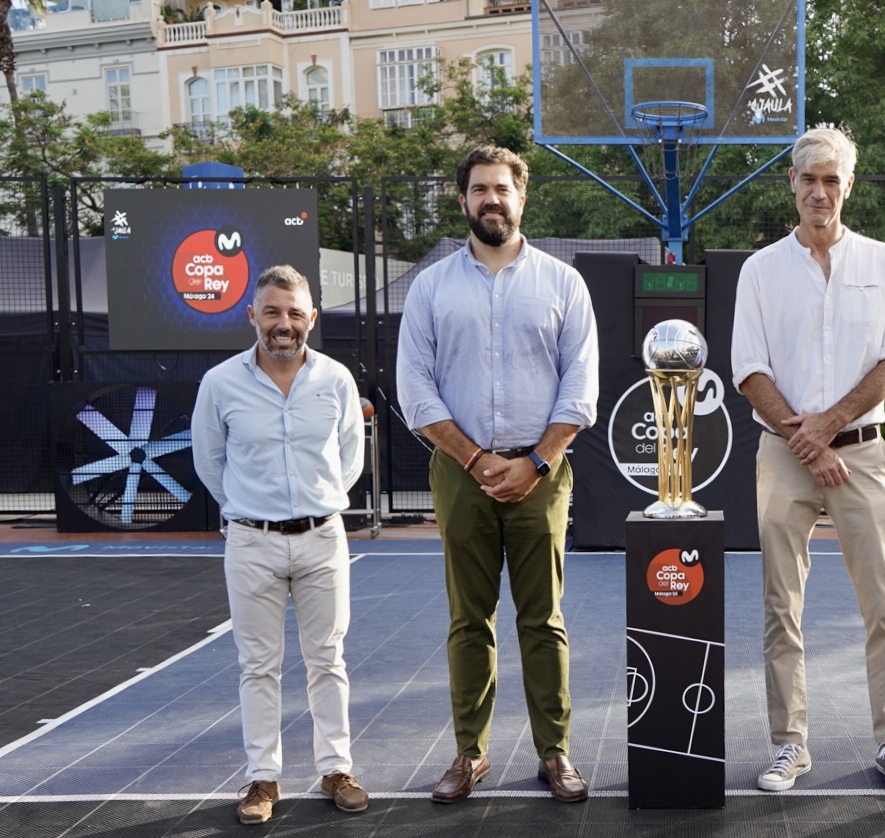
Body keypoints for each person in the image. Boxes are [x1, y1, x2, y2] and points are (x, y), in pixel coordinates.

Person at [396, 145, 599, 804]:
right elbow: (415, 389)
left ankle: (555, 752)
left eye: (502, 188)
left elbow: (581, 388)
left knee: (543, 619)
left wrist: (536, 460)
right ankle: (470, 752)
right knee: (469, 620)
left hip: (543, 471)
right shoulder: (431, 287)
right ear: (463, 200)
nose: (491, 199)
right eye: (480, 188)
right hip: (462, 473)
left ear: (521, 197)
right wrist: (475, 459)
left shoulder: (562, 283)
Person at [730, 127, 885, 795]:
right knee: (781, 606)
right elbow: (748, 368)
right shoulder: (760, 270)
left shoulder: (882, 261)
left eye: (831, 179)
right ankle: (790, 745)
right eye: (809, 178)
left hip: (860, 453)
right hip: (783, 454)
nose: (819, 191)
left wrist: (830, 427)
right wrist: (808, 443)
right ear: (792, 182)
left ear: (849, 185)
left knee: (883, 606)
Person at [191, 265, 368, 825]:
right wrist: (249, 511)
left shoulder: (336, 379)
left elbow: (350, 459)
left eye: (294, 313)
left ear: (311, 317)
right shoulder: (220, 383)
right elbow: (209, 463)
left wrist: (318, 504)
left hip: (323, 540)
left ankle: (336, 770)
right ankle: (262, 778)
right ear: (253, 316)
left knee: (328, 660)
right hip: (251, 543)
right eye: (272, 312)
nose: (283, 323)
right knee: (258, 666)